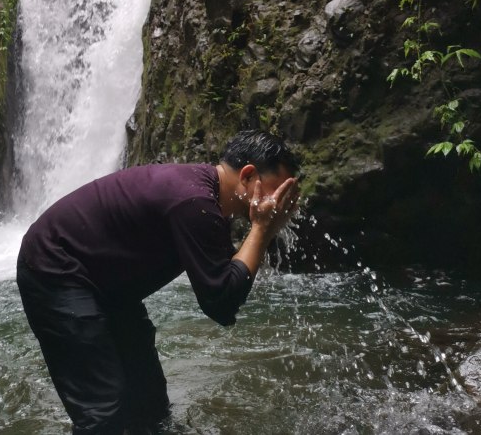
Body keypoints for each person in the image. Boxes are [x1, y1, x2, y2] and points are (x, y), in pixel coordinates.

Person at [16, 129, 300, 434]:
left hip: (104, 282)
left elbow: (223, 282)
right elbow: (221, 302)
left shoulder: (205, 199)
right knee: (102, 410)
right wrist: (262, 229)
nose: (281, 204)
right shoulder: (195, 202)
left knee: (148, 401)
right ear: (247, 176)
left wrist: (261, 228)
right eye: (277, 192)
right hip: (55, 268)